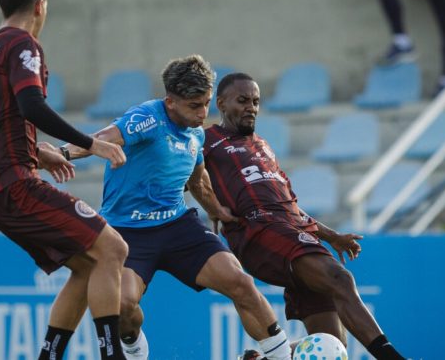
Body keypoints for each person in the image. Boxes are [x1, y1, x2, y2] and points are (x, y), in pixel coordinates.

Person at [64, 55, 292, 360]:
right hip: (127, 232)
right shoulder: (147, 117)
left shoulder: (196, 133)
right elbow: (101, 139)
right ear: (171, 102)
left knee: (240, 281)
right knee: (122, 306)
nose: (203, 114)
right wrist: (63, 152)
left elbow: (199, 183)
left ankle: (282, 356)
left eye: (206, 103)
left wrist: (219, 212)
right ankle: (132, 347)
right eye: (194, 106)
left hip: (177, 226)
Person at [0, 0, 130, 360]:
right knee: (113, 249)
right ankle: (112, 355)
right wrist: (92, 145)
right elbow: (31, 105)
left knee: (88, 265)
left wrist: (38, 151)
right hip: (13, 183)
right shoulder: (24, 44)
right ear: (40, 6)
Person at [204, 72, 407, 360]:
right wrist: (211, 207)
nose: (251, 107)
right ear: (221, 103)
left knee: (331, 348)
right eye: (243, 100)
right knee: (339, 278)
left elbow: (290, 205)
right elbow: (181, 173)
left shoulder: (263, 147)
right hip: (258, 228)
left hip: (289, 229)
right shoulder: (207, 140)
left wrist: (331, 236)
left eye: (256, 101)